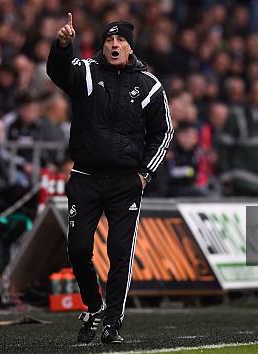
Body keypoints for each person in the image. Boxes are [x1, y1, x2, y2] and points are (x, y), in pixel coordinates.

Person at [47, 14, 172, 344]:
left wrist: (145, 172)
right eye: (108, 41)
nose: (114, 45)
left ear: (131, 47)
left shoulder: (149, 85)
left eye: (120, 41)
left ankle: (113, 321)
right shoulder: (86, 72)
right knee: (77, 250)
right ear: (103, 46)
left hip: (124, 182)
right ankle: (94, 304)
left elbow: (164, 132)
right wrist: (62, 45)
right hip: (85, 176)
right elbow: (58, 71)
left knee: (120, 252)